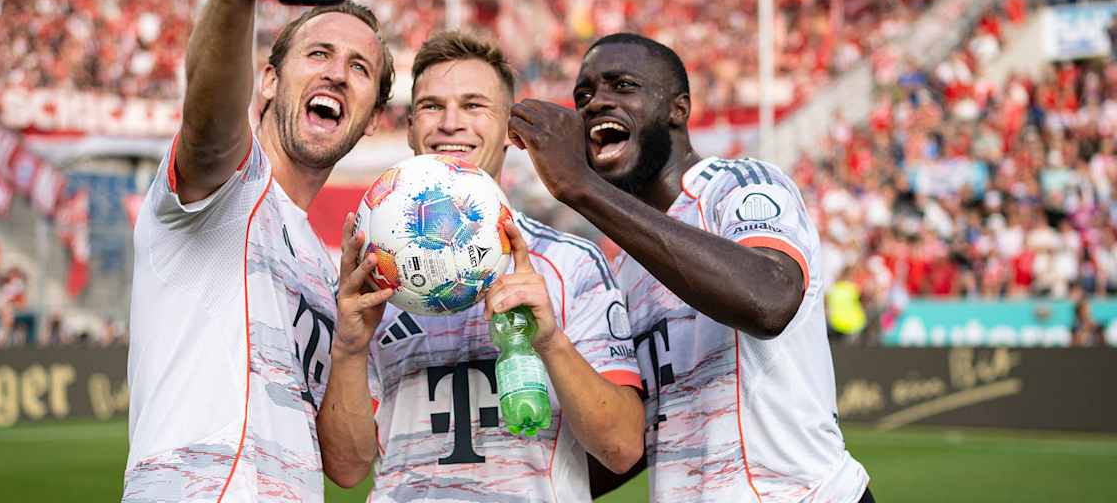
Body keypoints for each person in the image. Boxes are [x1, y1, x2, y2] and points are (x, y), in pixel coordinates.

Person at [509, 33, 872, 502]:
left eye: (622, 85)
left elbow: (770, 299)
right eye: (584, 95)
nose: (596, 102)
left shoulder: (738, 185)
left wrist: (579, 186)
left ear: (678, 110)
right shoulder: (627, 266)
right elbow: (628, 444)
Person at [123, 0, 388, 501]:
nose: (337, 74)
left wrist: (351, 344)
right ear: (269, 82)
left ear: (373, 117)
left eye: (360, 68)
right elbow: (208, 125)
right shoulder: (228, 186)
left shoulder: (332, 275)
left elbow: (349, 469)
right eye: (318, 54)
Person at [318, 31, 644, 501]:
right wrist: (349, 348)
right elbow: (347, 470)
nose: (451, 124)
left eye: (474, 106)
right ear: (409, 129)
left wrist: (550, 341)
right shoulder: (370, 276)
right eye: (432, 106)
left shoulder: (571, 263)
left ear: (510, 131)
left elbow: (622, 447)